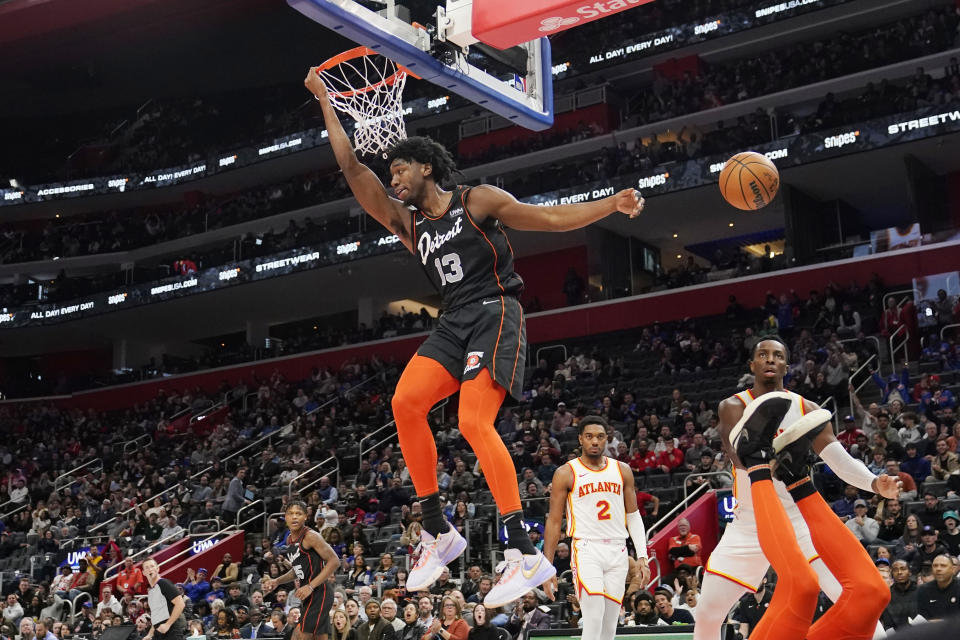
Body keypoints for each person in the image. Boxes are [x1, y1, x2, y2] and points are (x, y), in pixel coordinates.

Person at [304, 67, 644, 605]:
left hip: (496, 309)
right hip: (453, 319)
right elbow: (349, 165)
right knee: (405, 402)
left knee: (470, 420)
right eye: (389, 172)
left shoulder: (477, 201)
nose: (392, 179)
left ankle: (523, 553)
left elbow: (549, 220)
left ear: (427, 167)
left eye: (399, 169)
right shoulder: (407, 223)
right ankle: (439, 532)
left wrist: (609, 205)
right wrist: (326, 101)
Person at [693, 337, 898, 640]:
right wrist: (767, 459)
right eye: (762, 354)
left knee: (861, 601)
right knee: (707, 613)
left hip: (798, 522)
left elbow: (838, 459)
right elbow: (738, 453)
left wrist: (872, 482)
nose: (770, 360)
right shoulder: (734, 405)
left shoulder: (807, 408)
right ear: (752, 365)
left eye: (777, 355)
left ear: (787, 367)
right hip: (751, 523)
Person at [542, 415, 649, 640]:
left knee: (610, 624)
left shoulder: (622, 470)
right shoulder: (566, 472)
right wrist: (547, 566)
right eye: (589, 436)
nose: (595, 441)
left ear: (606, 439)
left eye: (600, 437)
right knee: (593, 616)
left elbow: (633, 515)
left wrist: (642, 556)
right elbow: (553, 521)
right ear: (580, 439)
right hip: (586, 549)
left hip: (618, 550)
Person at [261, 501, 339, 640]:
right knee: (320, 637)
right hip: (308, 595)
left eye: (299, 513)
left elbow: (334, 561)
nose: (294, 517)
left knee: (299, 635)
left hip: (320, 592)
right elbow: (297, 570)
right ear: (285, 517)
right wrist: (277, 580)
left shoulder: (310, 536)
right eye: (291, 514)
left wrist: (310, 586)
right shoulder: (289, 540)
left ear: (305, 517)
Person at [141, 558, 187, 640]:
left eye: (152, 566)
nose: (150, 569)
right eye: (147, 567)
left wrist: (168, 624)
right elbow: (157, 617)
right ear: (144, 573)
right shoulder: (151, 592)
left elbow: (180, 604)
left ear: (158, 569)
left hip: (171, 631)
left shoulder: (163, 583)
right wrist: (150, 634)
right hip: (159, 632)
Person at [915, 554, 960, 620]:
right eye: (935, 566)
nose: (938, 569)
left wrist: (942, 624)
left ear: (953, 569)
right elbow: (921, 616)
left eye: (943, 566)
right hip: (930, 629)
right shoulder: (922, 590)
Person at [881, 560, 917, 630]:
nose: (899, 572)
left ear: (910, 572)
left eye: (903, 569)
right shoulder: (887, 595)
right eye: (895, 570)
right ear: (892, 574)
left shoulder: (920, 592)